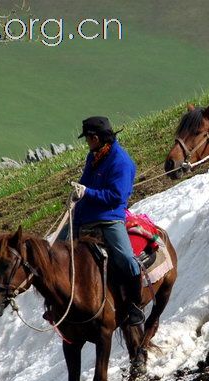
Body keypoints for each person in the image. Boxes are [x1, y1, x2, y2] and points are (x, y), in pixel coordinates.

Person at [62, 116, 145, 326]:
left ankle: (135, 305)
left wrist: (87, 193)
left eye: (88, 139)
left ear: (96, 138)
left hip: (109, 219)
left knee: (126, 260)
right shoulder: (94, 156)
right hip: (83, 215)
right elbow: (85, 183)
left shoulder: (122, 162)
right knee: (55, 249)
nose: (87, 143)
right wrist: (77, 191)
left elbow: (116, 197)